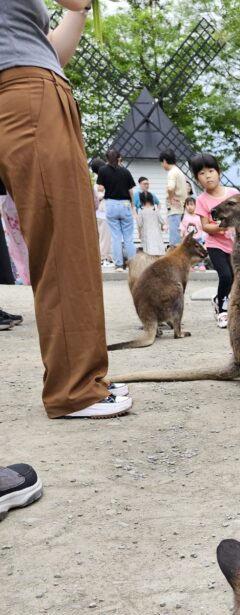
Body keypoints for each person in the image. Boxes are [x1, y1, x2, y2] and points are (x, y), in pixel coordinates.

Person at [0, 0, 131, 417]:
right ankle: (75, 387)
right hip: (28, 96)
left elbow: (50, 48)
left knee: (55, 241)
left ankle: (78, 377)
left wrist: (82, 12)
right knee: (64, 244)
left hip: (24, 90)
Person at [191, 152, 239, 328]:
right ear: (197, 179)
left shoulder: (232, 193)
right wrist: (222, 226)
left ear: (218, 172)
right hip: (215, 245)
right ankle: (222, 310)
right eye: (202, 173)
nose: (207, 176)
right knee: (225, 276)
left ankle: (220, 299)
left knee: (234, 277)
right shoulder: (201, 200)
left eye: (211, 170)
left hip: (234, 244)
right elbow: (205, 226)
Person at [96, 149, 136, 270]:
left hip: (111, 204)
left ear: (107, 158)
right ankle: (133, 265)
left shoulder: (102, 170)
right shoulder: (125, 171)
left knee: (115, 236)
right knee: (128, 237)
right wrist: (133, 206)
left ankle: (118, 265)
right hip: (125, 204)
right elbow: (131, 191)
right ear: (119, 158)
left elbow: (100, 189)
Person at [160, 149, 187, 246]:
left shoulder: (171, 173)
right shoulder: (179, 172)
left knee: (175, 242)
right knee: (181, 238)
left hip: (175, 210)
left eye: (161, 163)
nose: (162, 165)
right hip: (182, 209)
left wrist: (171, 199)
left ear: (164, 161)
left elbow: (170, 188)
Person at [136, 190, 165, 256]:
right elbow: (162, 220)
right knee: (158, 250)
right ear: (151, 198)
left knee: (148, 252)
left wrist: (139, 233)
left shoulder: (140, 210)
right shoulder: (155, 208)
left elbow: (139, 224)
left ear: (141, 199)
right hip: (156, 233)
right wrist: (162, 227)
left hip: (146, 234)